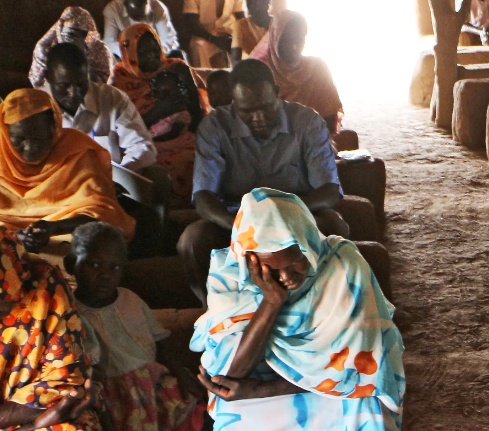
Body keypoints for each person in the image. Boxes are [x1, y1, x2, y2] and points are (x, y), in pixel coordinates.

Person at [191, 189, 404, 431]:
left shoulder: (343, 265)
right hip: (255, 387)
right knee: (234, 414)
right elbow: (230, 376)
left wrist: (265, 390)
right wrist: (271, 302)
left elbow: (363, 368)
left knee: (365, 406)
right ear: (246, 258)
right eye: (270, 269)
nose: (285, 277)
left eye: (294, 264)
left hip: (337, 387)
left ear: (308, 243)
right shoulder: (228, 274)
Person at [178, 59, 348, 305]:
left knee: (335, 227)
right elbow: (204, 197)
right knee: (192, 241)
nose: (258, 117)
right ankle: (216, 310)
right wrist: (241, 225)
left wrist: (283, 215)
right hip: (238, 217)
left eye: (267, 107)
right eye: (247, 111)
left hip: (298, 211)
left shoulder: (307, 122)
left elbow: (330, 190)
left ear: (277, 94)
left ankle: (328, 307)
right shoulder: (214, 127)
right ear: (233, 102)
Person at [66, 223, 203, 431]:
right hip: (119, 396)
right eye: (94, 265)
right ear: (70, 265)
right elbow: (89, 375)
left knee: (193, 409)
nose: (105, 274)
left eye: (115, 267)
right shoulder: (74, 315)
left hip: (156, 381)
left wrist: (182, 375)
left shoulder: (130, 299)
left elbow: (160, 342)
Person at [0, 89, 135, 251]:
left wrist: (54, 228)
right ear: (6, 132)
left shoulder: (77, 150)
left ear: (54, 128)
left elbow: (101, 209)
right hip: (7, 235)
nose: (30, 147)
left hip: (61, 233)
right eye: (19, 138)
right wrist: (13, 236)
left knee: (86, 245)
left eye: (39, 138)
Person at [0, 230, 101, 431]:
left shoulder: (46, 284)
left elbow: (68, 386)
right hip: (34, 415)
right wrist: (31, 426)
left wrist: (36, 422)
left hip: (34, 410)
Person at [110, 24, 203, 208]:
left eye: (155, 50)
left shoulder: (175, 69)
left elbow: (197, 113)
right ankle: (167, 218)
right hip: (145, 146)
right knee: (158, 170)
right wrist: (158, 111)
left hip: (183, 137)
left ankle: (195, 211)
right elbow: (122, 131)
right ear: (130, 54)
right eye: (143, 53)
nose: (152, 57)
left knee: (202, 158)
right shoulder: (120, 81)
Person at [41, 43, 158, 174]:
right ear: (47, 76)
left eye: (81, 83)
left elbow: (142, 146)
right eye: (64, 85)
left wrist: (117, 179)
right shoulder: (35, 108)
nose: (74, 93)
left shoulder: (112, 98)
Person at [249, 10, 343, 134]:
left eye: (299, 39)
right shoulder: (257, 74)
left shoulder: (317, 69)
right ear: (275, 38)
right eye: (287, 39)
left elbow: (329, 118)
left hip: (312, 144)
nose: (294, 46)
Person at [29, 6, 113, 88]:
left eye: (82, 34)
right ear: (60, 29)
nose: (72, 39)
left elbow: (104, 85)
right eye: (70, 34)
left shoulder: (99, 50)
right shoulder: (47, 48)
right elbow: (37, 83)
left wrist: (81, 63)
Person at [102, 0, 179, 58]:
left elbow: (168, 38)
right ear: (125, 7)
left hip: (153, 53)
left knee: (178, 55)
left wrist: (155, 54)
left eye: (142, 16)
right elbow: (109, 42)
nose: (139, 20)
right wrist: (133, 55)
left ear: (148, 6)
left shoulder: (158, 8)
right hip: (126, 54)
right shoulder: (113, 10)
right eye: (135, 16)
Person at [230, 0, 273, 65]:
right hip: (252, 68)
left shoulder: (275, 23)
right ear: (248, 5)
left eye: (263, 1)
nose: (260, 5)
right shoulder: (241, 24)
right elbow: (236, 57)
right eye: (255, 2)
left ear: (268, 5)